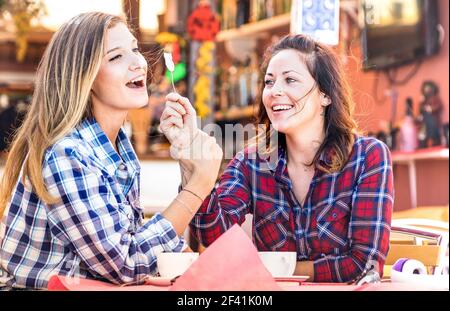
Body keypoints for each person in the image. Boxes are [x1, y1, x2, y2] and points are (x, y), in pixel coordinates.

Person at [0, 12, 222, 290]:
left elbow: (131, 240)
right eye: (116, 57)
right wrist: (200, 184)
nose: (138, 63)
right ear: (84, 77)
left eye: (135, 49)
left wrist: (189, 165)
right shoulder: (68, 154)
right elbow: (124, 263)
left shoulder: (117, 148)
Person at [161, 34, 394, 283]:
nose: (274, 92)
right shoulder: (251, 162)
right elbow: (213, 236)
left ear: (325, 95)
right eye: (269, 82)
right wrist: (189, 160)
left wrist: (273, 269)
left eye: (290, 80)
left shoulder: (367, 157)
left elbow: (364, 264)